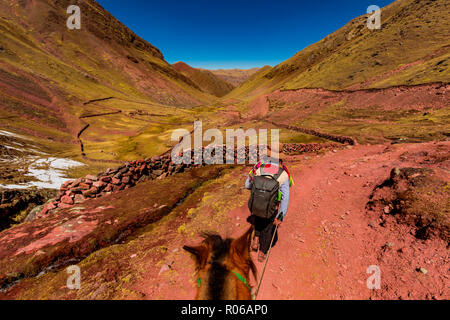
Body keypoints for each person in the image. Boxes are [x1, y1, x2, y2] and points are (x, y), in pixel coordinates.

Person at [245, 156, 293, 262]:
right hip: (271, 207)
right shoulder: (283, 174)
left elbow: (247, 185)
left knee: (258, 219)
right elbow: (285, 198)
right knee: (267, 228)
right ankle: (262, 251)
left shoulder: (259, 168)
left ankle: (256, 239)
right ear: (281, 160)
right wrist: (281, 216)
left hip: (256, 204)